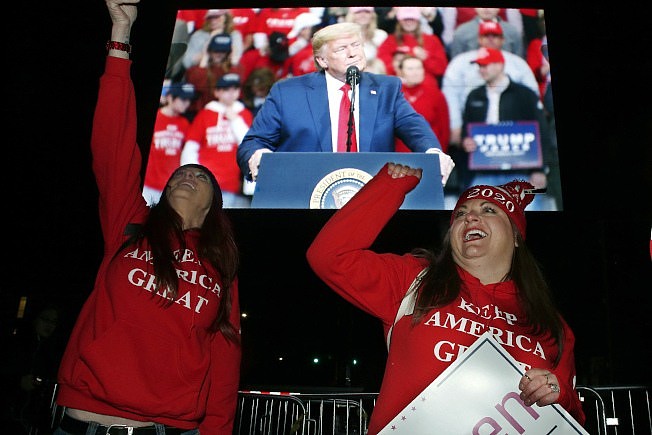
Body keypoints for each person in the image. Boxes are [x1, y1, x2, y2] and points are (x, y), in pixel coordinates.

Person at [54, 1, 241, 434]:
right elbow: (113, 144)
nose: (187, 174)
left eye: (200, 175)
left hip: (167, 427)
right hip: (84, 419)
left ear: (214, 204)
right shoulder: (131, 222)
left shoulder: (221, 266)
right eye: (181, 172)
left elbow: (225, 358)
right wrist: (121, 38)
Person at [306, 162, 586, 434]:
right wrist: (390, 188)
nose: (470, 217)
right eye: (461, 213)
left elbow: (572, 417)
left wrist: (556, 392)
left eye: (488, 210)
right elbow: (329, 256)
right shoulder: (414, 281)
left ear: (516, 236)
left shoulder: (551, 324)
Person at [236, 21, 455, 185]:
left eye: (356, 45)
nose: (353, 53)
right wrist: (257, 156)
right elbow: (253, 143)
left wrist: (433, 153)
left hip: (369, 199)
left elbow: (414, 127)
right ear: (322, 61)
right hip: (303, 195)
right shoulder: (288, 92)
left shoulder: (386, 89)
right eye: (342, 49)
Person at [456, 47, 557, 211]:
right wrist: (466, 141)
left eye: (485, 65)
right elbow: (466, 130)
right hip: (484, 170)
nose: (481, 69)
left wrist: (540, 169)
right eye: (479, 65)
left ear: (500, 65)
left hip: (521, 170)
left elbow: (541, 132)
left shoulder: (524, 94)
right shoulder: (474, 96)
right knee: (472, 210)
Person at [441, 20, 540, 149]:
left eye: (495, 36)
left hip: (513, 127)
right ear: (479, 39)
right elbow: (450, 95)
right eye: (486, 36)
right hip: (473, 121)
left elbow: (532, 96)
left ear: (503, 40)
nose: (491, 40)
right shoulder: (460, 62)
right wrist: (455, 125)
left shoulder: (518, 63)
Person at [181, 73, 254, 208]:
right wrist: (193, 177)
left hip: (231, 184)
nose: (231, 93)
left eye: (235, 89)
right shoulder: (205, 114)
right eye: (226, 90)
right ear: (217, 92)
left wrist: (235, 120)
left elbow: (249, 145)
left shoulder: (244, 114)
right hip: (205, 182)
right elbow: (191, 147)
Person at [1, 302, 64, 434]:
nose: (49, 325)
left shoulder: (51, 350)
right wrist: (18, 381)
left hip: (30, 420)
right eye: (45, 319)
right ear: (35, 319)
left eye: (53, 322)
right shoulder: (16, 344)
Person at [142, 81, 195, 206]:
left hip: (170, 186)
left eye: (189, 100)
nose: (186, 103)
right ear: (170, 97)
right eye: (183, 99)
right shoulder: (156, 118)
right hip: (148, 184)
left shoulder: (185, 123)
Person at [376, 7, 448, 82]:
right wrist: (396, 66)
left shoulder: (432, 40)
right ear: (399, 21)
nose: (409, 22)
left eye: (412, 19)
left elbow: (441, 69)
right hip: (398, 84)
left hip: (426, 85)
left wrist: (426, 59)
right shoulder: (390, 40)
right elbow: (381, 65)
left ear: (418, 20)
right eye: (405, 19)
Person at [395, 55, 450, 153]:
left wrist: (440, 155)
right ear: (401, 72)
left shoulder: (435, 94)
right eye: (410, 69)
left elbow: (444, 128)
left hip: (428, 153)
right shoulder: (395, 93)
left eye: (419, 68)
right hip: (398, 156)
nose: (415, 72)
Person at [449, 8, 524, 59]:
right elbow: (456, 61)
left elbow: (519, 60)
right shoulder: (462, 32)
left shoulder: (512, 31)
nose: (486, 8)